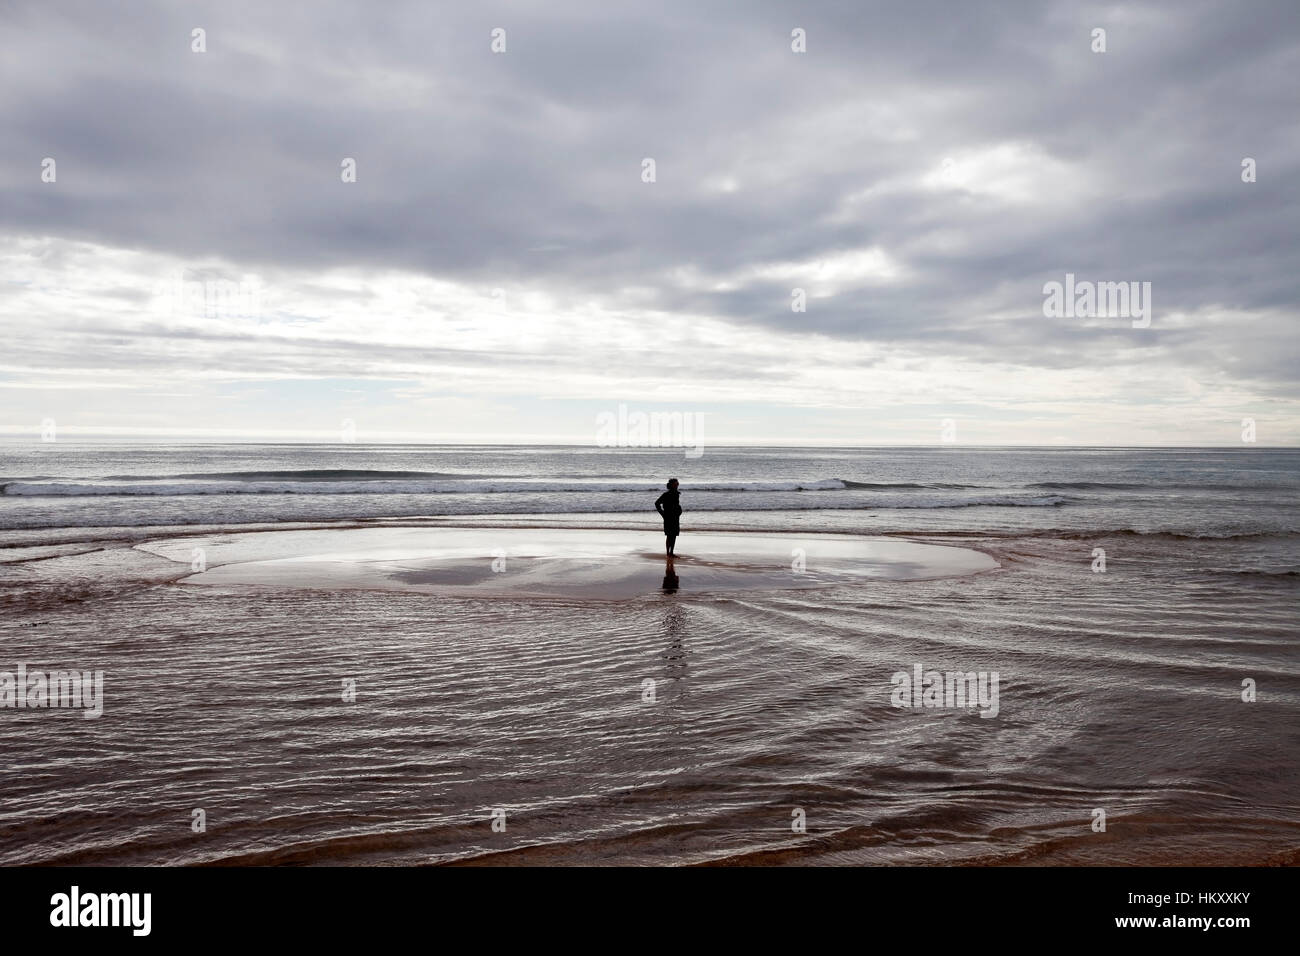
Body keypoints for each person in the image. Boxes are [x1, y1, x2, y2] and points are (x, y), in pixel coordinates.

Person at [654, 478, 682, 557]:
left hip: (675, 517)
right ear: (672, 485)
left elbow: (676, 505)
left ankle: (671, 552)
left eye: (678, 483)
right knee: (669, 535)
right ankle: (668, 553)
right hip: (668, 517)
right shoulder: (666, 494)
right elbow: (657, 503)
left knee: (674, 535)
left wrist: (679, 510)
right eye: (676, 484)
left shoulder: (676, 494)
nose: (677, 485)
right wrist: (662, 513)